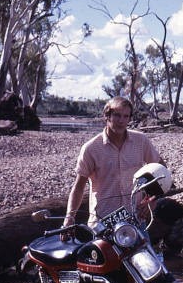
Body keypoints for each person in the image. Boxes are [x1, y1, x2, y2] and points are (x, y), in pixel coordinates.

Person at [63, 96, 165, 228]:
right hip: (102, 223)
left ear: (129, 118)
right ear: (107, 116)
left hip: (136, 220)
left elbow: (161, 169)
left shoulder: (141, 141)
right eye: (117, 115)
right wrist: (69, 218)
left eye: (125, 116)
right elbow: (78, 187)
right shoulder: (91, 148)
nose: (121, 121)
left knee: (146, 249)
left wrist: (151, 199)